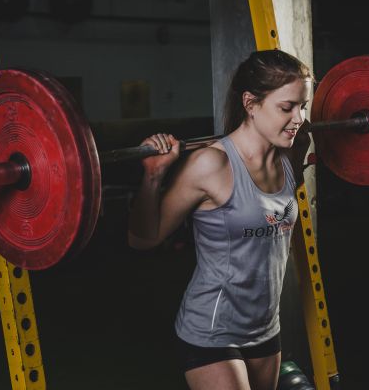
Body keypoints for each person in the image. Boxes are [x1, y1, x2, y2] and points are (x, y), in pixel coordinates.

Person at [128, 49, 313, 390]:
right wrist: (153, 177)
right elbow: (144, 238)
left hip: (265, 328)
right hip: (212, 328)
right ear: (251, 103)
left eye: (302, 106)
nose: (298, 118)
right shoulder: (210, 165)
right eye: (286, 107)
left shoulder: (291, 155)